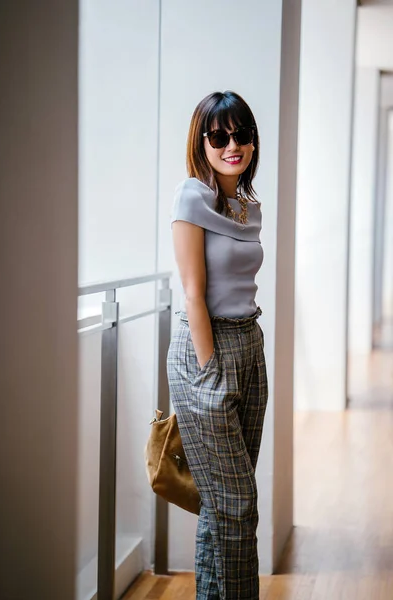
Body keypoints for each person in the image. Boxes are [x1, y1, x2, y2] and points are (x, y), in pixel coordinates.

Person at [167, 90, 268, 600]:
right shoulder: (192, 197)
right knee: (236, 501)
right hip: (206, 352)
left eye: (242, 133)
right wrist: (209, 368)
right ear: (201, 141)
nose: (233, 144)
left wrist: (245, 354)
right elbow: (192, 291)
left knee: (223, 502)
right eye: (220, 135)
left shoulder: (248, 206)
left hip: (250, 344)